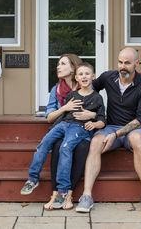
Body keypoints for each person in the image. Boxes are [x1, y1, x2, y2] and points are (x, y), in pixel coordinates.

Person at [75, 47, 141, 213]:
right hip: (110, 126)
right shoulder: (108, 77)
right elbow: (87, 90)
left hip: (134, 129)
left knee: (136, 139)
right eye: (120, 62)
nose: (122, 66)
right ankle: (86, 195)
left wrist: (116, 134)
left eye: (127, 63)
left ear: (136, 64)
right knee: (96, 142)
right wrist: (93, 113)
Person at [21, 62, 105, 209]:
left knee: (65, 148)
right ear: (76, 79)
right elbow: (65, 114)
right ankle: (33, 178)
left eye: (87, 74)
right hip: (64, 124)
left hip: (79, 127)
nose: (84, 76)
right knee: (44, 143)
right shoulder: (71, 95)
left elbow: (102, 120)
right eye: (80, 74)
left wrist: (94, 123)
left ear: (93, 76)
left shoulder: (97, 98)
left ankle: (63, 189)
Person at [42, 54, 96, 211]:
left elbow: (98, 112)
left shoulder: (85, 85)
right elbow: (49, 117)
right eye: (58, 64)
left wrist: (91, 115)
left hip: (83, 130)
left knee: (82, 148)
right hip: (63, 128)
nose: (58, 67)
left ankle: (69, 193)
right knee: (58, 146)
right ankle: (56, 194)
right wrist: (65, 108)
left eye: (62, 64)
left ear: (73, 68)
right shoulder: (56, 90)